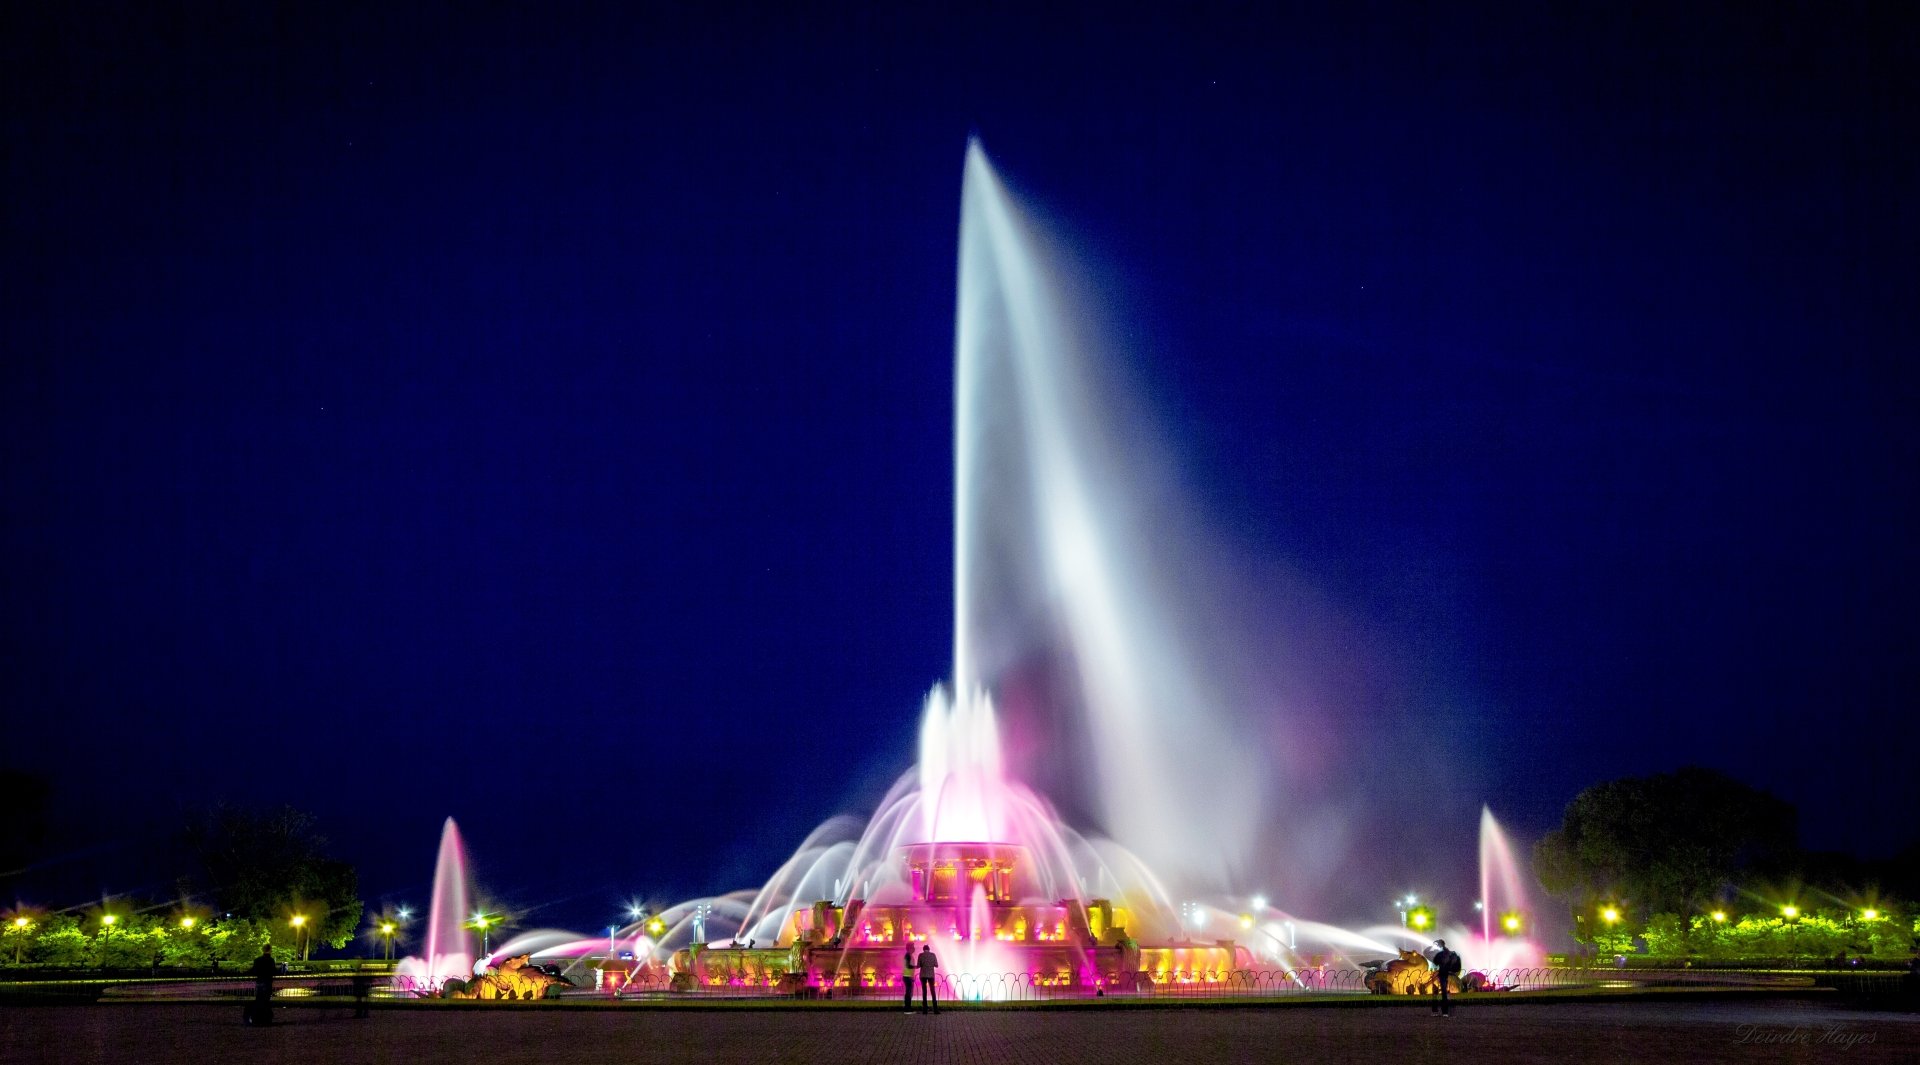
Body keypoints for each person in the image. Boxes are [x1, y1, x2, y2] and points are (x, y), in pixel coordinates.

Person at [246, 944, 277, 1026]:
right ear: (270, 950)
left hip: (259, 982)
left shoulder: (257, 960)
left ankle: (257, 1018)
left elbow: (253, 971)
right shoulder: (271, 960)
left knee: (259, 999)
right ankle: (265, 1018)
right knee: (266, 1000)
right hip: (267, 982)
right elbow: (274, 971)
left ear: (263, 950)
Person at [1430, 939, 1461, 1017]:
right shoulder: (1453, 954)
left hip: (1443, 974)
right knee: (1446, 993)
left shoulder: (1440, 955)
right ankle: (1446, 1012)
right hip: (1452, 975)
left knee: (1437, 992)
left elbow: (1435, 964)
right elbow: (1458, 967)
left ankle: (1436, 1011)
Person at [916, 943, 940, 1014]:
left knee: (924, 992)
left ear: (923, 949)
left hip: (923, 975)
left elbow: (918, 965)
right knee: (933, 991)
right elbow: (936, 965)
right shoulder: (933, 955)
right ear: (929, 949)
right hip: (931, 975)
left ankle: (925, 1010)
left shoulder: (921, 955)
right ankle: (935, 1009)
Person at [902, 946, 916, 1012]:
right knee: (908, 992)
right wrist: (916, 967)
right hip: (908, 976)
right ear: (909, 948)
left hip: (909, 976)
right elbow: (907, 965)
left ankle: (908, 1007)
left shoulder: (909, 955)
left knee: (909, 992)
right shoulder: (907, 955)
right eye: (913, 948)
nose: (914, 949)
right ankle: (907, 1008)